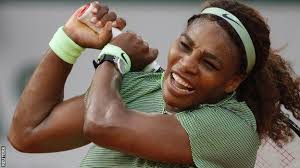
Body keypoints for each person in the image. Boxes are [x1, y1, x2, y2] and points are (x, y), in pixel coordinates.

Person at [8, 0, 300, 168]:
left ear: (233, 81)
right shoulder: (138, 87)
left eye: (209, 63)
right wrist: (68, 41)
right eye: (185, 46)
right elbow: (27, 134)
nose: (186, 64)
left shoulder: (232, 128)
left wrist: (113, 58)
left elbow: (102, 124)